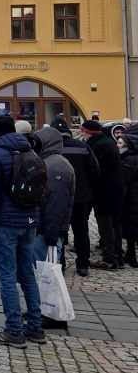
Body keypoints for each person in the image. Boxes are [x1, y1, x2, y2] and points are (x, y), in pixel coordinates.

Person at [0, 126, 46, 348]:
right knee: (27, 273)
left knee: (7, 276)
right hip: (30, 220)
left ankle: (14, 330)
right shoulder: (31, 152)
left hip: (6, 223)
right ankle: (35, 327)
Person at [54, 116, 98, 277]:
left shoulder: (51, 148)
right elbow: (95, 170)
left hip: (58, 197)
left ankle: (60, 263)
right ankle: (83, 265)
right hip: (80, 196)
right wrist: (86, 186)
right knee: (81, 230)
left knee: (59, 232)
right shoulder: (83, 146)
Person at [83, 119, 125, 270]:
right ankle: (119, 257)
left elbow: (94, 168)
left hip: (105, 190)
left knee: (105, 223)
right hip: (116, 188)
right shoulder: (107, 142)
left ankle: (109, 259)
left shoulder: (98, 145)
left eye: (83, 132)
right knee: (115, 223)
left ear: (87, 132)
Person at [33, 127, 75, 266]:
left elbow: (56, 202)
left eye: (37, 142)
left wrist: (51, 233)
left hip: (45, 230)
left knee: (47, 274)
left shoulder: (57, 165)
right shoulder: (47, 161)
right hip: (42, 228)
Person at [117, 128, 138, 268]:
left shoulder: (130, 160)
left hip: (132, 199)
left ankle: (132, 257)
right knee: (130, 229)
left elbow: (126, 178)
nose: (118, 145)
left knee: (133, 229)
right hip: (131, 198)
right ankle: (130, 254)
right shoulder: (128, 158)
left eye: (120, 143)